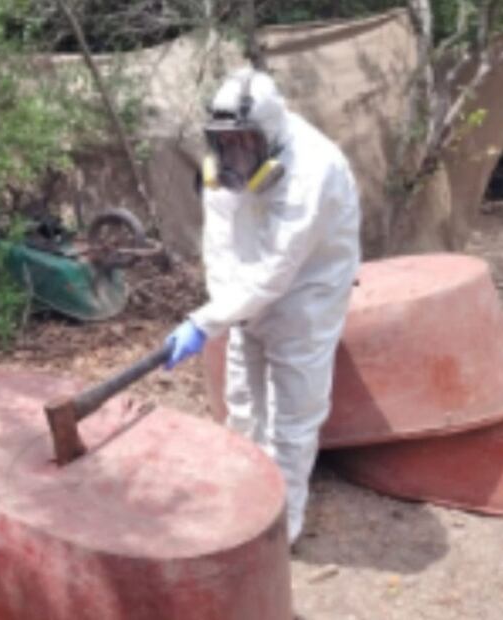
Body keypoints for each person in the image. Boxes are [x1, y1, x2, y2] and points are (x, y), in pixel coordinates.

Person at [165, 67, 361, 544]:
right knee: (243, 403)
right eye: (223, 141)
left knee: (292, 418)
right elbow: (220, 243)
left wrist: (204, 322)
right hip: (247, 292)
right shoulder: (222, 168)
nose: (232, 154)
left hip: (306, 292)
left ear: (270, 137)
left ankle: (279, 532)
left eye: (244, 143)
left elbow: (278, 268)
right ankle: (244, 498)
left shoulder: (312, 172)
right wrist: (223, 307)